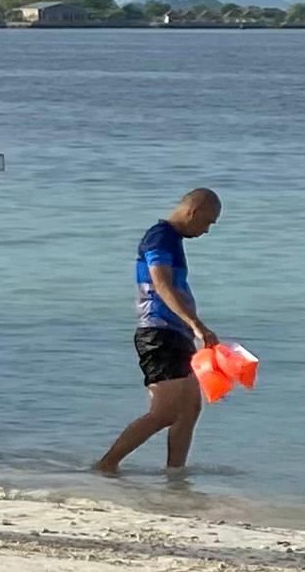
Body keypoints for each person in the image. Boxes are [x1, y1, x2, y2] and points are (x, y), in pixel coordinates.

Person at [93, 188, 223, 476]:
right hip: (158, 334)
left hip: (176, 334)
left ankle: (174, 476)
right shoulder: (160, 237)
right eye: (208, 222)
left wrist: (191, 327)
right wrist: (197, 325)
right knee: (165, 413)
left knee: (189, 409)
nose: (207, 231)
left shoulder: (172, 239)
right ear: (194, 211)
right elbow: (162, 285)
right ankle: (106, 465)